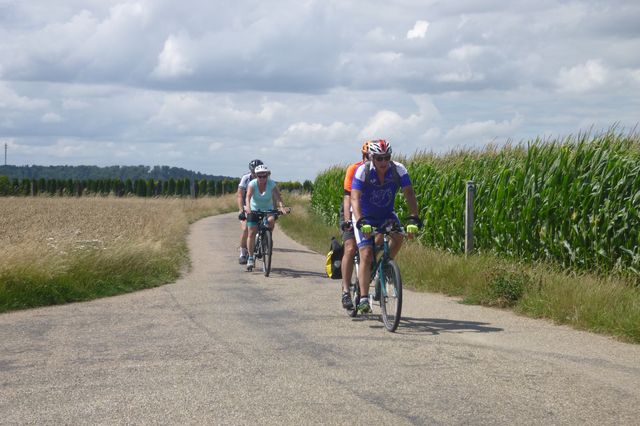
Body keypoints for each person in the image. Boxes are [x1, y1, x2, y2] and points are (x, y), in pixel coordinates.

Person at [350, 139, 422, 314]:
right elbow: (354, 198)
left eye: (387, 158)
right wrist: (361, 221)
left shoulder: (398, 170)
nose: (383, 162)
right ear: (372, 158)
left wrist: (413, 218)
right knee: (366, 253)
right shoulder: (363, 171)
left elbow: (409, 194)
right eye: (379, 158)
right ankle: (364, 298)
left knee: (398, 238)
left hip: (386, 215)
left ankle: (385, 265)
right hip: (364, 216)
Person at [338, 140, 371, 310]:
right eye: (369, 156)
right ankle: (345, 290)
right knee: (350, 248)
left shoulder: (381, 171)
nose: (371, 159)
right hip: (350, 211)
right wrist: (347, 220)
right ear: (363, 155)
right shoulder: (354, 169)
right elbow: (347, 197)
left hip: (371, 213)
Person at [244, 164, 289, 271]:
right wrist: (248, 209)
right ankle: (250, 257)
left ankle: (267, 238)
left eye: (264, 176)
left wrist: (282, 207)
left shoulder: (271, 184)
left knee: (271, 220)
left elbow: (278, 197)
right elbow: (248, 197)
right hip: (254, 209)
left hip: (267, 209)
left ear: (267, 176)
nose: (262, 178)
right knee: (251, 232)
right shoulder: (252, 184)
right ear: (256, 176)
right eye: (260, 176)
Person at [237, 159, 263, 264]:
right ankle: (243, 253)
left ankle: (263, 243)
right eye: (253, 172)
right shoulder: (246, 178)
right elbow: (239, 195)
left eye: (257, 172)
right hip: (246, 206)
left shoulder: (264, 178)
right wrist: (241, 210)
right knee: (245, 229)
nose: (256, 175)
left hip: (260, 206)